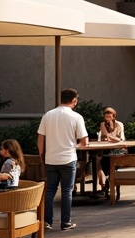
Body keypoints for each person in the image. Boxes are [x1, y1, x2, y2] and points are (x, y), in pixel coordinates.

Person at [37, 88, 88, 230]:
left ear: (60, 99)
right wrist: (76, 145)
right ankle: (65, 222)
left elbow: (40, 139)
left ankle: (47, 221)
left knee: (50, 190)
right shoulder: (76, 117)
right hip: (68, 158)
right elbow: (84, 142)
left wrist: (41, 156)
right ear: (75, 101)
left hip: (50, 159)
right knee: (67, 190)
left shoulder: (48, 115)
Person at [96, 107, 126, 193]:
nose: (107, 117)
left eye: (110, 115)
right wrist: (110, 137)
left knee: (106, 159)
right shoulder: (103, 125)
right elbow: (102, 139)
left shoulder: (118, 125)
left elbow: (120, 139)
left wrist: (109, 137)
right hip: (106, 150)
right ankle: (107, 182)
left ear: (114, 116)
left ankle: (108, 182)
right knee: (103, 160)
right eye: (106, 115)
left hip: (119, 150)